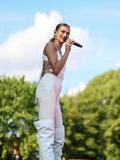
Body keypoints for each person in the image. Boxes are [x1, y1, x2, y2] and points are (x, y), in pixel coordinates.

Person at [34, 23, 74, 160]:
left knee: (58, 134)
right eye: (62, 31)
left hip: (55, 92)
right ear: (55, 32)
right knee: (47, 130)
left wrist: (65, 52)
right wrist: (68, 51)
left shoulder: (61, 52)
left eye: (68, 33)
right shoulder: (49, 46)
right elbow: (56, 69)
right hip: (47, 87)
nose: (65, 35)